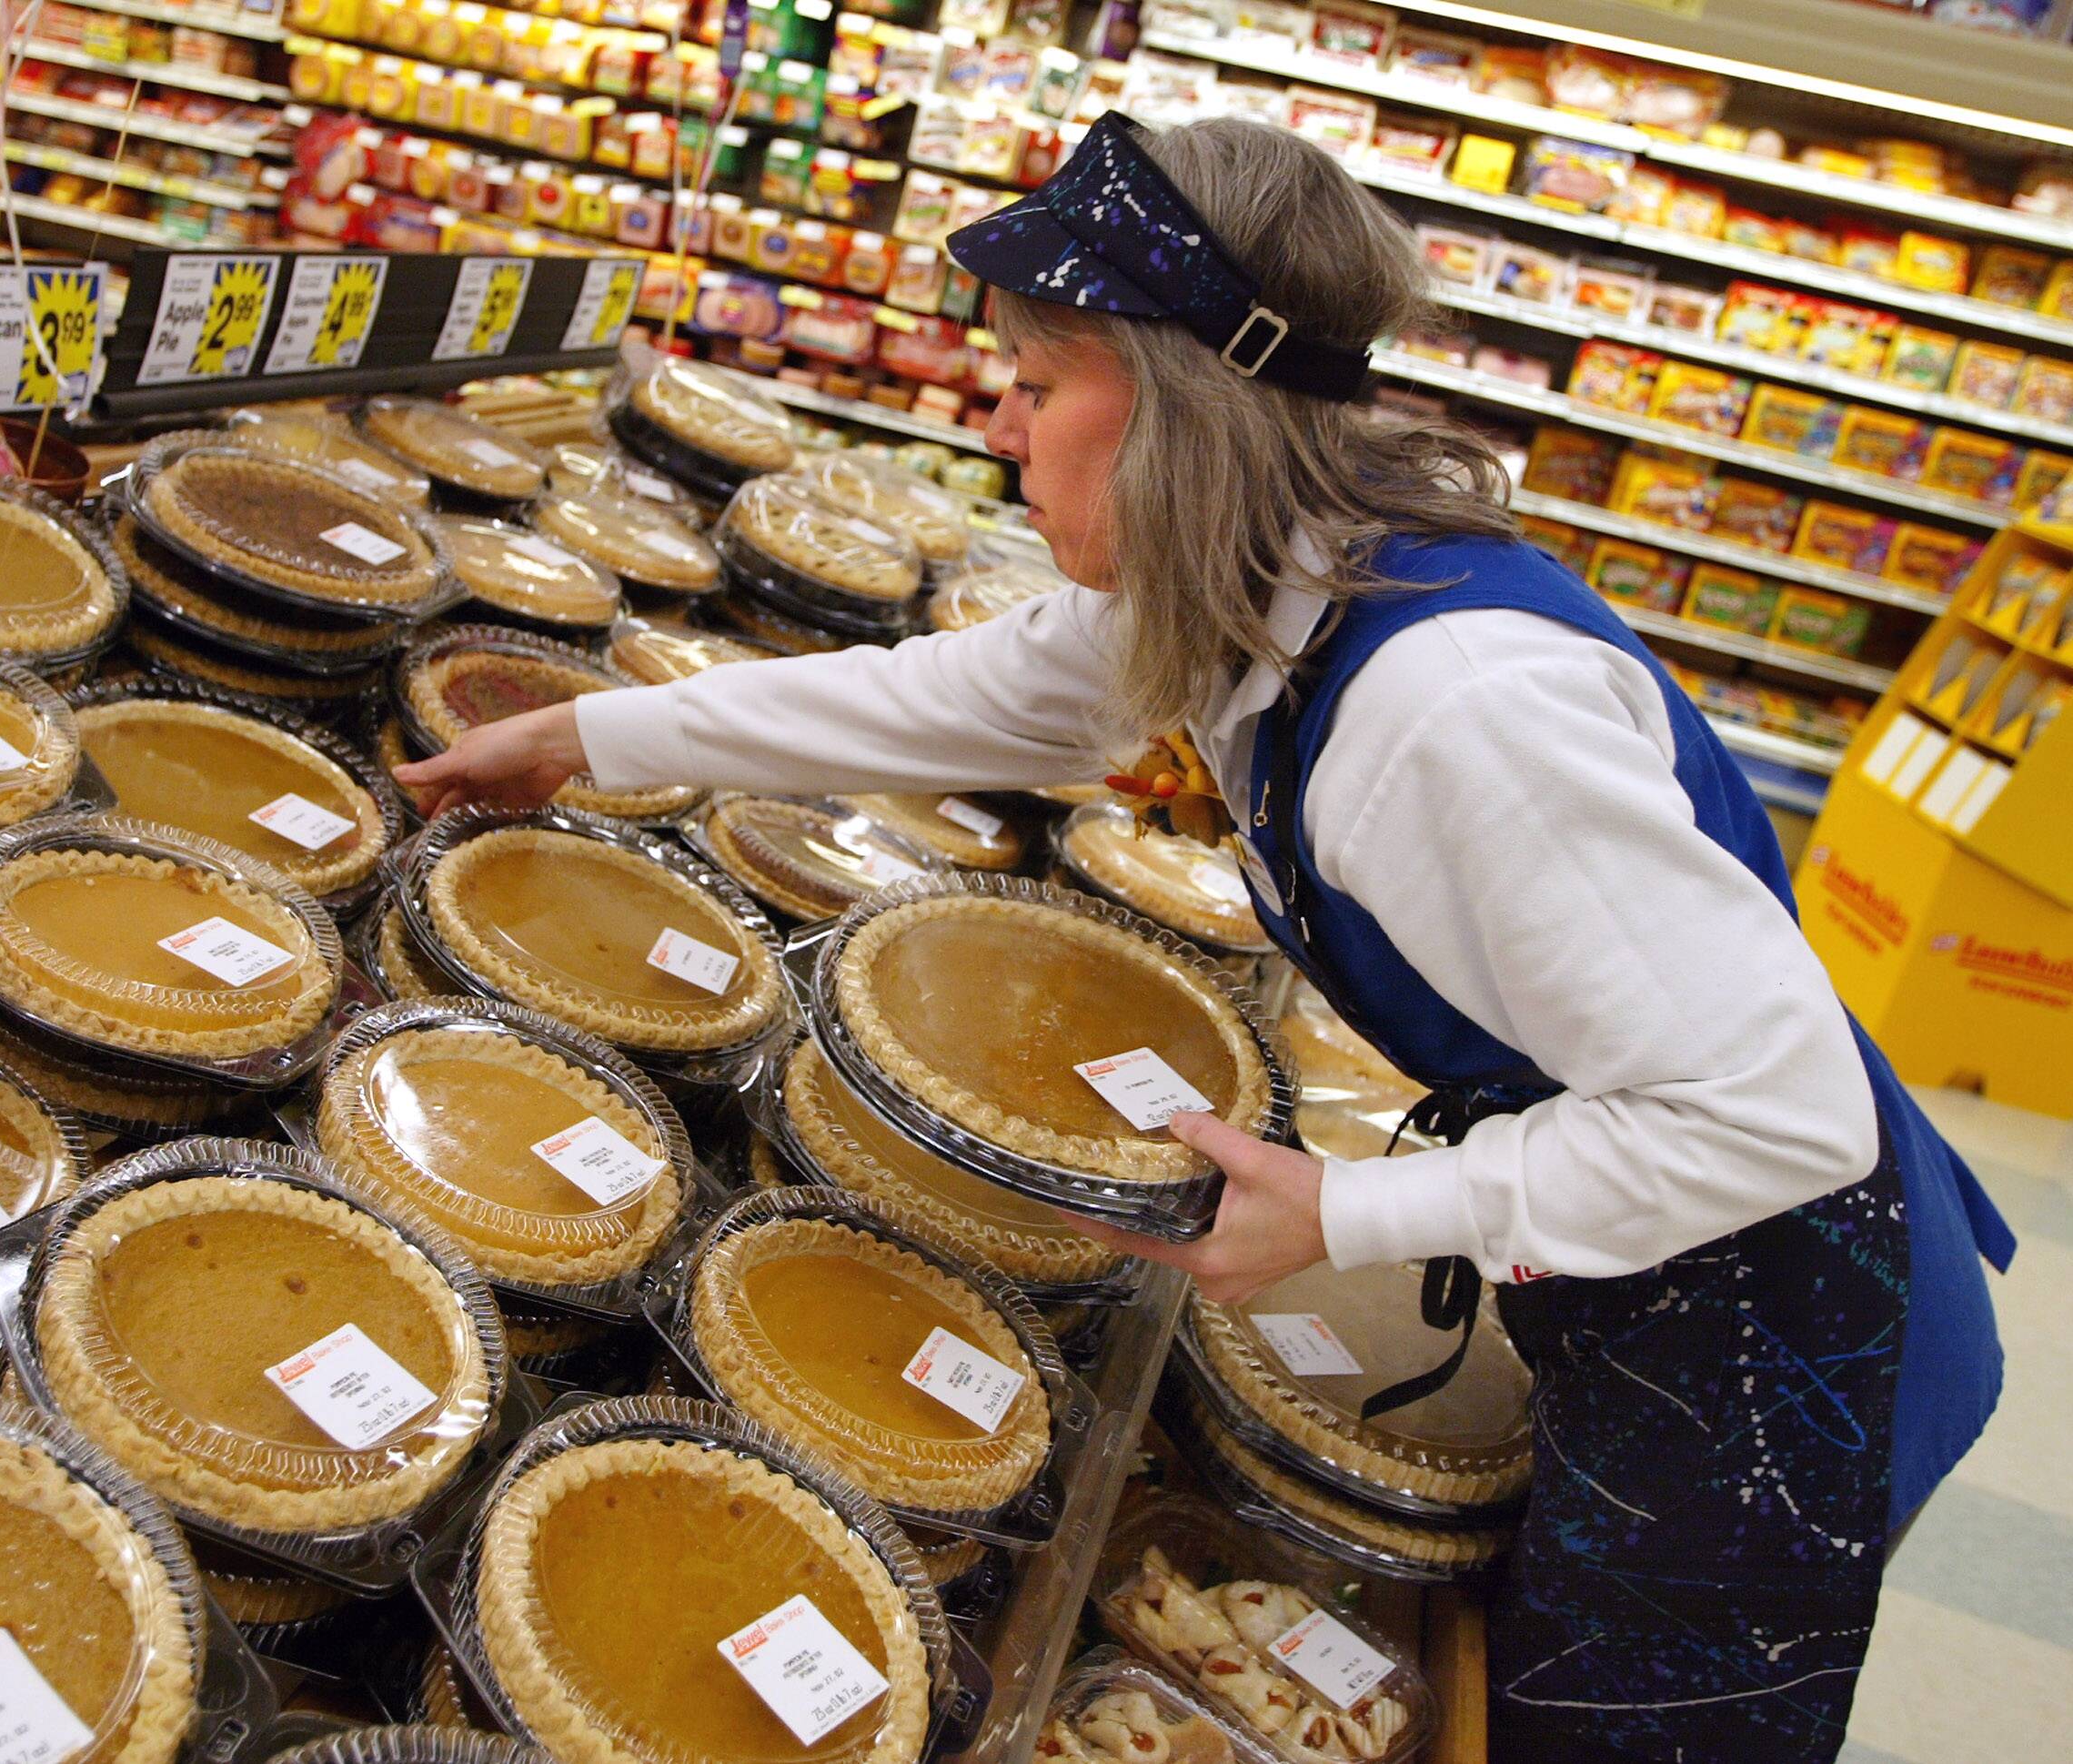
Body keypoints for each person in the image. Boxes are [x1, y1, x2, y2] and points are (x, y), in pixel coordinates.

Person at [399, 114, 2018, 1759]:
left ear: (1178, 403)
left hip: (1784, 1320)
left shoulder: (1448, 712)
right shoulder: (1275, 578)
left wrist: (1354, 1210)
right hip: (1633, 1236)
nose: (1000, 422)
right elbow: (960, 690)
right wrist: (593, 738)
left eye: (1041, 384)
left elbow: (1776, 1119)